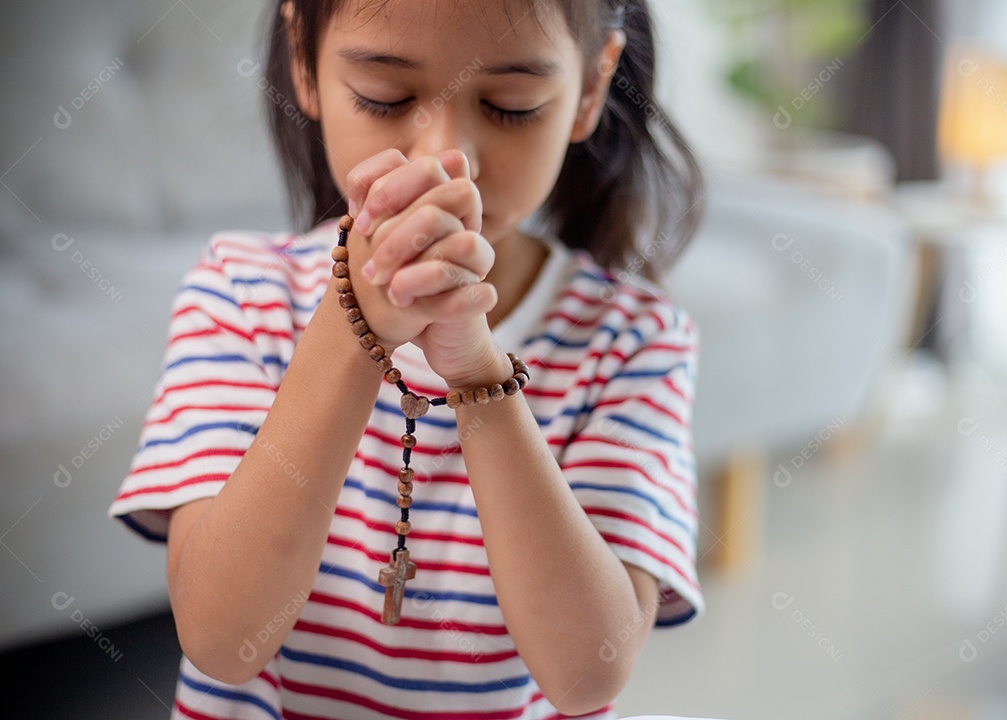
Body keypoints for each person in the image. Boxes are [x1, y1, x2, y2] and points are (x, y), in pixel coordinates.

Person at [110, 0, 705, 717]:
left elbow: (586, 673)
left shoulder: (634, 340)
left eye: (511, 106)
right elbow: (221, 639)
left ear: (590, 88)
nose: (444, 158)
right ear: (304, 59)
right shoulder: (241, 294)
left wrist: (477, 371)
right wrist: (353, 326)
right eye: (385, 98)